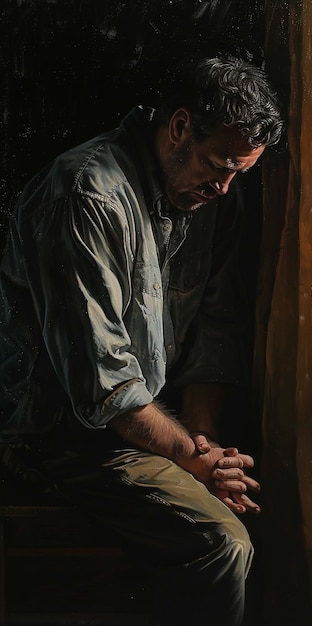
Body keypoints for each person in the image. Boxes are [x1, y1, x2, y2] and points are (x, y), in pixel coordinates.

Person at [0, 55, 283, 625]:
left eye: (239, 174)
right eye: (218, 166)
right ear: (178, 127)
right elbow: (105, 388)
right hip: (58, 436)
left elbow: (214, 331)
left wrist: (204, 447)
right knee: (223, 543)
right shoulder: (87, 192)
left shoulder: (209, 196)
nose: (226, 188)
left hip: (141, 428)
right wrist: (194, 462)